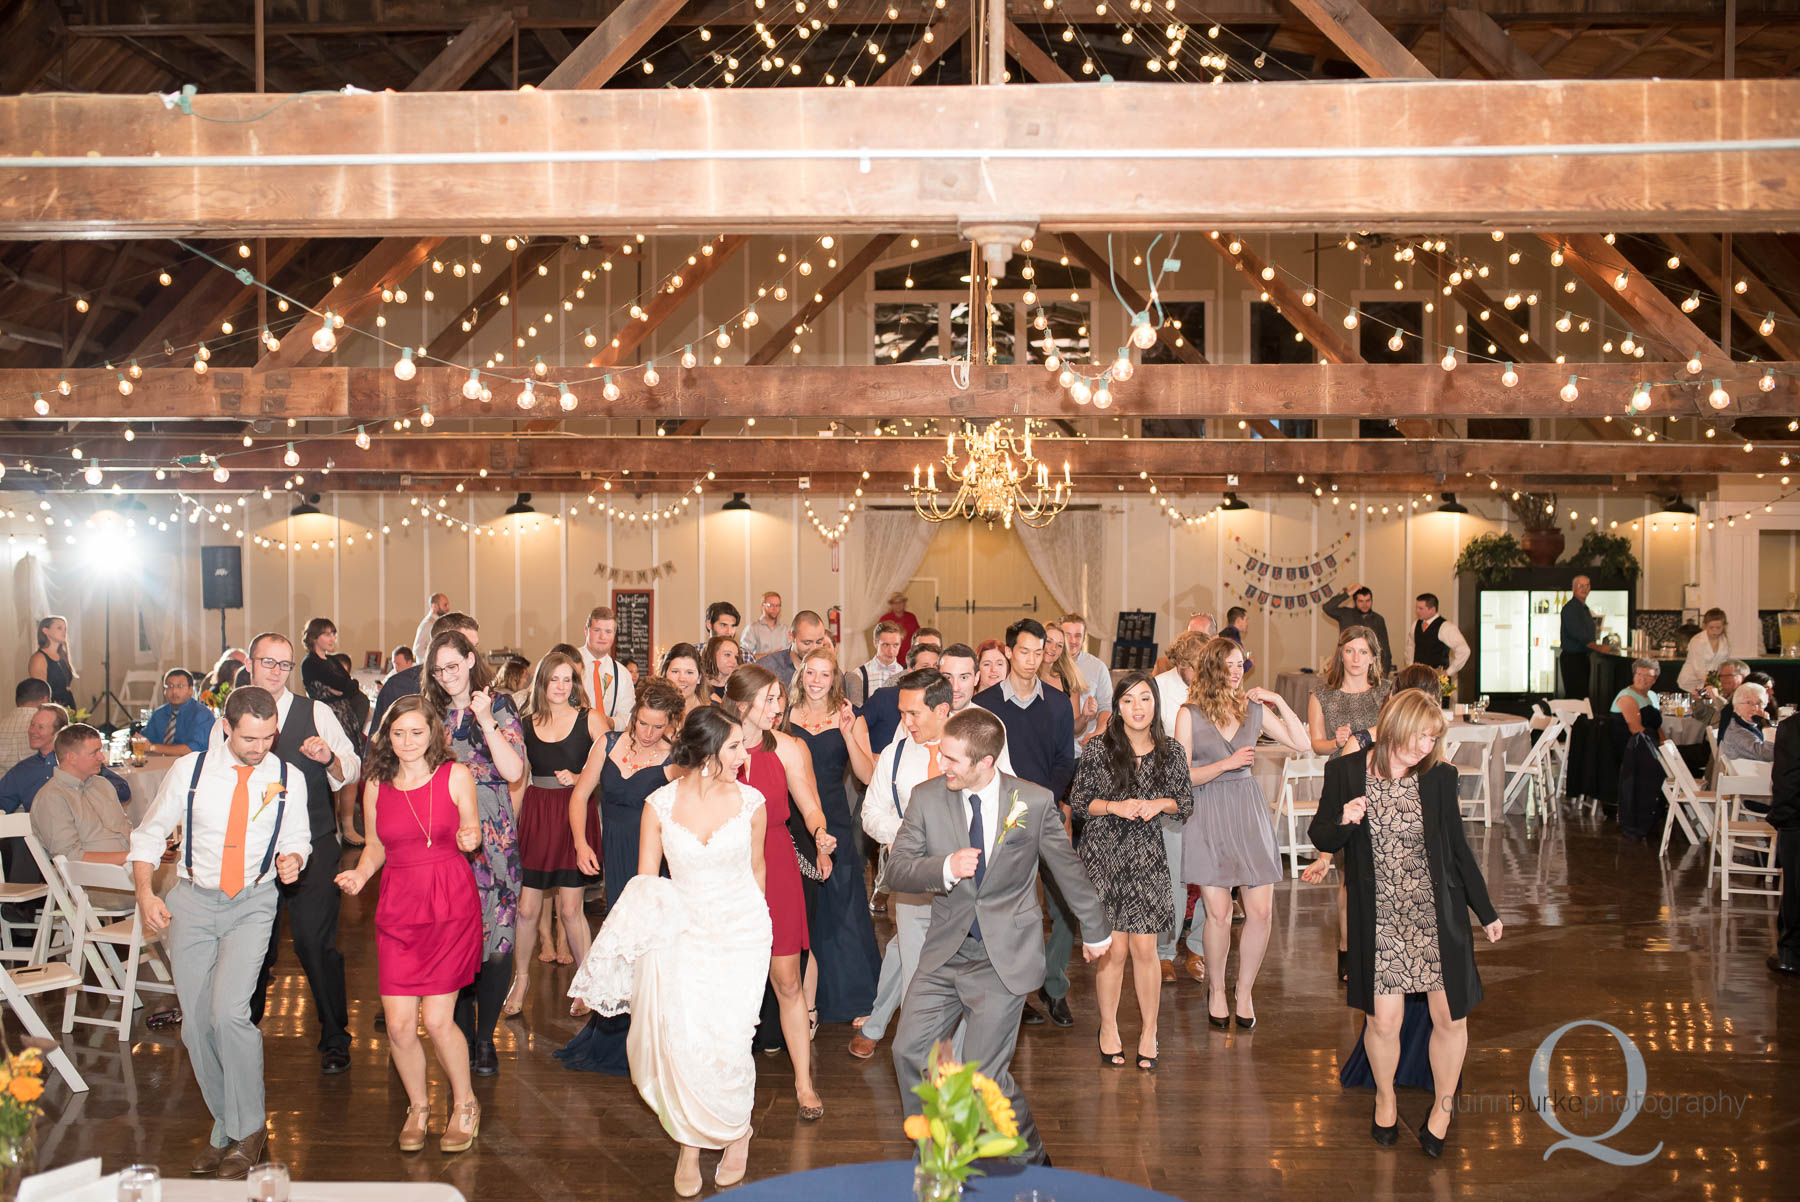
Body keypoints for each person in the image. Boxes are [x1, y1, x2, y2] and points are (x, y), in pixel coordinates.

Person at [888, 706, 1111, 1166]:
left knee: (983, 1078)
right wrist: (944, 867)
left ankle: (1032, 1158)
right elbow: (896, 870)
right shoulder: (927, 797)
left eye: (951, 759)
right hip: (945, 952)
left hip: (1001, 958)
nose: (941, 765)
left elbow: (1065, 868)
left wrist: (1095, 927)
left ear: (985, 762)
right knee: (909, 1051)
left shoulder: (1032, 801)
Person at [568, 706, 768, 1196]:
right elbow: (644, 887)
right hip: (682, 932)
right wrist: (608, 969)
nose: (745, 755)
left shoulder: (752, 802)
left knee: (730, 1039)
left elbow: (758, 873)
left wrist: (760, 928)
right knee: (686, 1041)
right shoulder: (657, 804)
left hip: (742, 933)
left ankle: (737, 1132)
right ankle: (690, 1143)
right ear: (706, 754)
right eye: (735, 747)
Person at [1310, 689, 1503, 1158]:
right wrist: (1345, 818)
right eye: (1420, 735)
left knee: (1449, 1017)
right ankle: (1385, 1098)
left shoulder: (1438, 776)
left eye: (1433, 737)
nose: (1425, 746)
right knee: (1384, 1021)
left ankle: (1441, 1107)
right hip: (1380, 919)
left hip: (1436, 916)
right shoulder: (1345, 772)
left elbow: (1457, 849)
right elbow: (1321, 834)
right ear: (1395, 724)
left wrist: (1486, 910)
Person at [130, 686, 311, 1180]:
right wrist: (147, 895)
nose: (260, 748)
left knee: (230, 1014)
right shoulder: (189, 772)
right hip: (190, 901)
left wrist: (294, 858)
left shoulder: (287, 777)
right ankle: (226, 1126)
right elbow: (148, 834)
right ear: (226, 727)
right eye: (250, 738)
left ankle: (250, 1130)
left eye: (268, 737)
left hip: (252, 902)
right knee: (195, 1026)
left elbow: (298, 837)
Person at [333, 697, 484, 1154]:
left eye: (416, 733)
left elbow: (473, 830)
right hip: (399, 908)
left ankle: (465, 1103)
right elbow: (376, 844)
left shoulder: (455, 776)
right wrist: (361, 873)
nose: (407, 742)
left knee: (438, 1020)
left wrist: (469, 837)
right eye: (398, 733)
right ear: (387, 736)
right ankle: (418, 1106)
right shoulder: (377, 784)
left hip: (448, 905)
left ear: (434, 734)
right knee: (399, 1025)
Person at [211, 632, 360, 1076]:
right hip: (252, 852)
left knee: (315, 944)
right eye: (267, 662)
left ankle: (335, 1035)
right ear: (251, 664)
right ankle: (241, 1030)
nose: (275, 671)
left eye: (284, 664)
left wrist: (328, 755)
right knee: (254, 948)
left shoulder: (316, 712)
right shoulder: (230, 715)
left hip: (312, 845)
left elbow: (351, 767)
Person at [855, 667, 1014, 1061]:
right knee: (917, 978)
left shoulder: (976, 750)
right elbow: (871, 812)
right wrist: (903, 834)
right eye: (902, 713)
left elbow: (1009, 803)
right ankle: (927, 1062)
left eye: (914, 714)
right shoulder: (893, 756)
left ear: (942, 709)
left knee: (963, 977)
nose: (905, 723)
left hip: (968, 888)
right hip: (913, 888)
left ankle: (952, 1066)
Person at [1175, 636, 1310, 1030]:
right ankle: (1217, 989)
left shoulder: (1253, 709)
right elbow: (1181, 778)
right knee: (1217, 913)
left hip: (1247, 811)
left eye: (1242, 664)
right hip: (1208, 810)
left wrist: (1277, 701)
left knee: (1262, 911)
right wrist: (1226, 763)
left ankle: (1244, 990)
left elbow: (1301, 744)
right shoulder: (1190, 713)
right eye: (1231, 664)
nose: (1237, 671)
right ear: (1213, 667)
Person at [722, 664, 835, 1119]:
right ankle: (725, 1081)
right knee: (730, 983)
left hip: (778, 862)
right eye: (769, 699)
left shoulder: (786, 747)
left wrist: (821, 834)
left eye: (778, 699)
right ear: (743, 702)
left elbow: (809, 804)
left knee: (787, 978)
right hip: (727, 867)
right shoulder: (719, 747)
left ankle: (804, 1083)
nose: (778, 707)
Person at [556, 679, 685, 1076]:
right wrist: (580, 842)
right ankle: (614, 1033)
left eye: (657, 726)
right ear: (633, 715)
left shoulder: (675, 758)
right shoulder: (607, 744)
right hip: (615, 853)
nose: (648, 734)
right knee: (620, 944)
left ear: (671, 725)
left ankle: (653, 1039)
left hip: (653, 863)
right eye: (642, 723)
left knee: (649, 948)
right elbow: (579, 795)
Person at [1069, 672, 1192, 1070]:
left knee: (1145, 948)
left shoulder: (1170, 750)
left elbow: (1185, 803)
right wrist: (1116, 806)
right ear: (1117, 707)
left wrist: (1159, 804)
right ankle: (1108, 1027)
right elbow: (1081, 801)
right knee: (1114, 949)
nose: (1137, 708)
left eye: (1145, 699)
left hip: (1146, 857)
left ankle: (1149, 1030)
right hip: (1105, 856)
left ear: (1155, 704)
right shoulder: (1097, 750)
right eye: (1128, 701)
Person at [423, 629, 526, 1078]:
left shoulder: (499, 705)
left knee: (499, 948)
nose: (447, 676)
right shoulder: (428, 714)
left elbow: (514, 769)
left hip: (494, 835)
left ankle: (486, 1040)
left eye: (453, 665)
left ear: (469, 659)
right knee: (456, 944)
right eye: (438, 669)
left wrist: (484, 719)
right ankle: (462, 1041)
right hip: (447, 834)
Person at [975, 618, 1077, 1026]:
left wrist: (1044, 800)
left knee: (1065, 906)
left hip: (1046, 815)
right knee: (1010, 910)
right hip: (999, 820)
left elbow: (1065, 762)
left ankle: (1054, 987)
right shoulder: (985, 705)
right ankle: (1015, 995)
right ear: (1008, 651)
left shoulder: (1056, 703)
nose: (1033, 660)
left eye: (1040, 652)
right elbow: (980, 765)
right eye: (1025, 651)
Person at [783, 646, 880, 1029]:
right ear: (801, 674)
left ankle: (857, 995)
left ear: (834, 678)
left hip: (834, 818)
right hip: (791, 820)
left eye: (825, 674)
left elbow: (868, 775)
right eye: (811, 673)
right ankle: (806, 1001)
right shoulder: (786, 717)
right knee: (804, 910)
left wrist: (846, 732)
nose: (817, 681)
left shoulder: (848, 716)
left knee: (843, 905)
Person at [507, 649, 607, 1016]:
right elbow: (517, 778)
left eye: (568, 679)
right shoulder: (526, 721)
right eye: (554, 679)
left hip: (574, 815)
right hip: (537, 815)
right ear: (542, 683)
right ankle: (521, 980)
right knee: (527, 908)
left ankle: (586, 984)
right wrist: (512, 829)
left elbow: (612, 768)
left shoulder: (591, 719)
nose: (561, 687)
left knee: (569, 908)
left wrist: (581, 778)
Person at [1303, 627, 1392, 983]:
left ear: (1373, 657)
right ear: (1341, 655)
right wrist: (1334, 741)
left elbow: (1394, 728)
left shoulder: (1386, 693)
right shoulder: (1321, 694)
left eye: (1362, 652)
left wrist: (1362, 735)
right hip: (1342, 786)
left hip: (1382, 783)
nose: (1356, 659)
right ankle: (1346, 949)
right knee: (1349, 879)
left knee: (1382, 873)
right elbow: (1317, 745)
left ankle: (1380, 946)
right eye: (1350, 651)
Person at [1151, 630, 1208, 982]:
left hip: (1207, 789)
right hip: (1169, 793)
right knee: (1172, 878)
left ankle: (1198, 948)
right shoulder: (1157, 687)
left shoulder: (1214, 688)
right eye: (1195, 668)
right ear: (1181, 664)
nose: (1200, 674)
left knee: (1206, 875)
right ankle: (1164, 951)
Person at [300, 618, 369, 846]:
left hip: (345, 717)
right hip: (325, 719)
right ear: (314, 637)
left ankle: (348, 827)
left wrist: (339, 689)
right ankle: (334, 828)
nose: (332, 638)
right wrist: (339, 689)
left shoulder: (331, 661)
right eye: (327, 634)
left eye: (333, 634)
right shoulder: (310, 663)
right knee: (331, 771)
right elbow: (341, 685)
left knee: (351, 768)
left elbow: (350, 685)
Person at [0, 704, 130, 817]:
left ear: (58, 732)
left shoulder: (76, 761)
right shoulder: (23, 769)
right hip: (37, 839)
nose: (32, 731)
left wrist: (92, 788)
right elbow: (2, 802)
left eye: (40, 727)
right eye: (32, 724)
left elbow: (123, 792)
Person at [28, 723, 133, 863]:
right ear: (72, 758)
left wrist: (150, 848)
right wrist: (133, 857)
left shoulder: (102, 784)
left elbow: (127, 830)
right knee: (169, 881)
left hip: (130, 867)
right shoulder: (51, 797)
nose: (102, 757)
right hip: (93, 878)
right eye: (94, 752)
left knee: (172, 874)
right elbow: (70, 857)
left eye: (100, 750)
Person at [375, 612, 479, 733]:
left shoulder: (482, 689)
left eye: (475, 647)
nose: (473, 656)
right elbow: (377, 745)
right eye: (465, 647)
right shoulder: (398, 687)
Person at [857, 640, 942, 762]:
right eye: (925, 666)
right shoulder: (885, 697)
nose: (933, 671)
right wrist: (868, 757)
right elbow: (857, 723)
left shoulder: (944, 701)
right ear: (910, 670)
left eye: (936, 666)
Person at [1612, 657, 1667, 841]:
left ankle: (1655, 812)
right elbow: (1636, 729)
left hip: (1646, 744)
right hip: (1631, 747)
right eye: (1639, 674)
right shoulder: (1626, 696)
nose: (1642, 679)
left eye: (1648, 676)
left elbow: (1657, 726)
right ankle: (1639, 820)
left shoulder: (1651, 696)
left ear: (1655, 680)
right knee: (1657, 768)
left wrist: (1665, 746)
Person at [1768, 711, 1800, 977]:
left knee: (1795, 890)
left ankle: (1790, 955)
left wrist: (1782, 819)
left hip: (1797, 820)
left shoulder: (1793, 727)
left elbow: (1787, 779)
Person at [1060, 614, 1114, 747]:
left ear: (1084, 638)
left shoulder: (1098, 667)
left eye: (1078, 635)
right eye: (1067, 635)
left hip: (1084, 747)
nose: (1073, 640)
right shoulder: (1047, 665)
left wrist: (1097, 733)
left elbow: (1106, 706)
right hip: (1053, 749)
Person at [576, 606, 633, 731]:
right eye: (597, 630)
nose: (602, 637)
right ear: (586, 630)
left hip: (607, 741)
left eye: (608, 632)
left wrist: (611, 722)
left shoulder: (622, 674)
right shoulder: (568, 663)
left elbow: (628, 716)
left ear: (614, 634)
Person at [1558, 576, 1616, 700]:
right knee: (1575, 696)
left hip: (1583, 658)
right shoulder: (1570, 609)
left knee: (1582, 696)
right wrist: (1598, 647)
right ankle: (1573, 720)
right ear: (1573, 588)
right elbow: (1579, 634)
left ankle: (1580, 718)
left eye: (1587, 585)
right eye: (1580, 586)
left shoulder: (1584, 608)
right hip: (1573, 659)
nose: (1584, 589)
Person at [1040, 622, 1092, 749]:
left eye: (1059, 645)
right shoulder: (1025, 677)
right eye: (1048, 641)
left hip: (1059, 754)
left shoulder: (1068, 681)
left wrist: (1085, 716)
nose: (1053, 648)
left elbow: (1075, 730)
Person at [1323, 585, 1393, 676]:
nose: (1365, 604)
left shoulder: (1378, 619)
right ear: (1355, 601)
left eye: (1368, 601)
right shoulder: (1345, 614)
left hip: (1368, 669)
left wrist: (1383, 675)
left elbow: (1385, 649)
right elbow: (1328, 607)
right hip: (1345, 666)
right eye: (1361, 601)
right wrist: (1348, 593)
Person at [754, 609, 832, 688]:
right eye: (807, 643)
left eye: (819, 642)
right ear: (791, 637)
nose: (814, 649)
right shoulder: (767, 668)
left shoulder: (831, 671)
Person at [144, 669, 215, 756]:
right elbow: (145, 740)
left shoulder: (202, 715)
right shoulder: (159, 714)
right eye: (170, 686)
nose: (174, 691)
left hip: (190, 766)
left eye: (180, 686)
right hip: (157, 764)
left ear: (190, 689)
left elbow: (193, 750)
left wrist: (153, 747)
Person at [1404, 594, 1470, 683]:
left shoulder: (1446, 627)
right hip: (1418, 679)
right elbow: (1410, 647)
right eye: (1416, 608)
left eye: (1421, 608)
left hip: (1437, 681)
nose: (1417, 611)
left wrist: (1449, 671)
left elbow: (1464, 650)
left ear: (1432, 609)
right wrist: (1410, 667)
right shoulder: (1416, 624)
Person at [1679, 607, 1735, 696]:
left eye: (1718, 628)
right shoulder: (1697, 641)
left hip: (1712, 684)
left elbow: (1724, 664)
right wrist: (1711, 684)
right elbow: (1698, 669)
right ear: (1704, 626)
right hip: (1691, 683)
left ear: (1724, 626)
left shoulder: (1725, 641)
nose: (1715, 631)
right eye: (1711, 628)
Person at [849, 620, 906, 706]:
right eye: (886, 645)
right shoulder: (859, 674)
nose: (891, 651)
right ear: (875, 643)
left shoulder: (906, 674)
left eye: (895, 645)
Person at [1720, 682, 1776, 767]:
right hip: (1751, 777)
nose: (1755, 708)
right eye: (1748, 702)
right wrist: (1766, 724)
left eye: (1759, 703)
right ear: (1736, 707)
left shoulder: (1750, 724)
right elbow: (1770, 755)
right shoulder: (1737, 732)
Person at [29, 615, 76, 709]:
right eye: (59, 628)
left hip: (68, 703)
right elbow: (40, 692)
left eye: (65, 629)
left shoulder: (63, 655)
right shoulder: (39, 658)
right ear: (46, 631)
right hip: (52, 707)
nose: (64, 632)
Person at [1, 679, 51, 768]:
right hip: (39, 780)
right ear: (45, 699)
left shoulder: (2, 725)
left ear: (17, 699)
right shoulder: (52, 725)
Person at [1689, 659, 1749, 729]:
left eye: (1728, 676)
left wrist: (1717, 698)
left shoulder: (1746, 696)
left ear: (1743, 677)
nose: (1723, 679)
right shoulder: (1725, 695)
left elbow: (1733, 716)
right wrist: (1698, 700)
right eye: (1721, 676)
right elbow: (1704, 717)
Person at [659, 644, 707, 721]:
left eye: (689, 672)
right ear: (665, 675)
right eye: (675, 671)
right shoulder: (652, 711)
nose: (682, 679)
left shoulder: (712, 712)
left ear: (699, 678)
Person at [740, 591, 789, 660]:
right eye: (771, 605)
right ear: (762, 606)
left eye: (777, 605)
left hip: (781, 670)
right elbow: (744, 657)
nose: (775, 609)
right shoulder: (752, 628)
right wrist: (771, 655)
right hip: (759, 670)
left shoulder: (785, 629)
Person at [878, 591, 921, 661]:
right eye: (895, 603)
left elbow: (918, 635)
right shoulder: (885, 619)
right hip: (890, 657)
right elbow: (879, 638)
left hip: (909, 656)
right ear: (891, 605)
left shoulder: (911, 617)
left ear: (904, 603)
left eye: (900, 602)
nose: (898, 605)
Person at [413, 592, 451, 665]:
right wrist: (436, 659)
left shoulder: (441, 622)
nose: (448, 608)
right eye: (445, 605)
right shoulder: (428, 624)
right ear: (434, 606)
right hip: (429, 669)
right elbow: (417, 650)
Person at [701, 635, 742, 702]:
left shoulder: (741, 687)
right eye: (727, 655)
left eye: (736, 657)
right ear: (712, 655)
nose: (734, 661)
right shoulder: (699, 686)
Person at [1219, 607, 1255, 675]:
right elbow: (1236, 670)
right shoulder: (1234, 638)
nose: (1246, 624)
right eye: (1246, 620)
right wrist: (1250, 662)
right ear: (1238, 620)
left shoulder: (1221, 634)